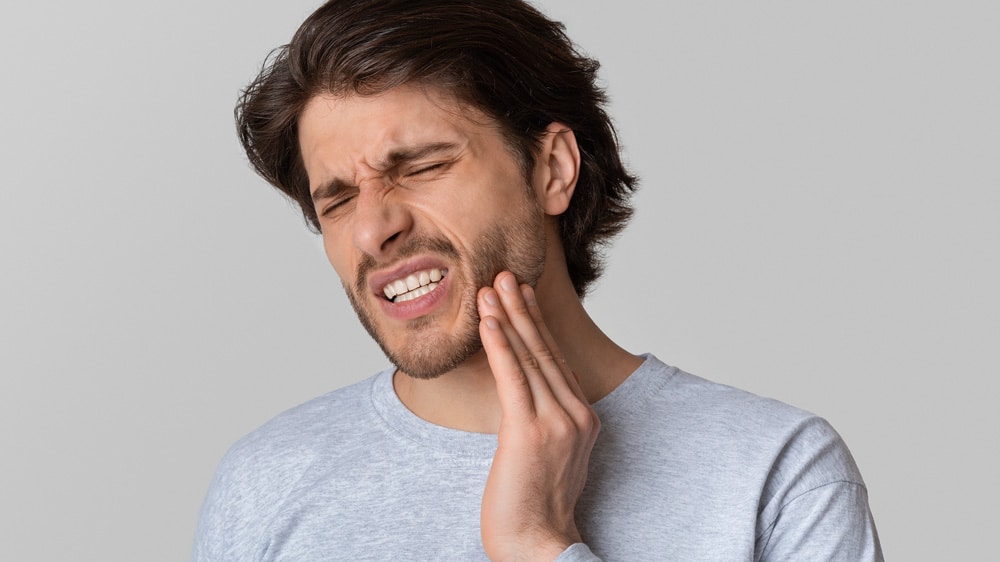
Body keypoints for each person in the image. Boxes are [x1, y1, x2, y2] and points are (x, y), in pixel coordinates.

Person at [194, 0, 883, 560]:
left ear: (551, 168)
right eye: (338, 200)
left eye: (423, 166)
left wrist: (539, 545)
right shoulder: (267, 483)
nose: (373, 231)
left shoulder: (774, 472)